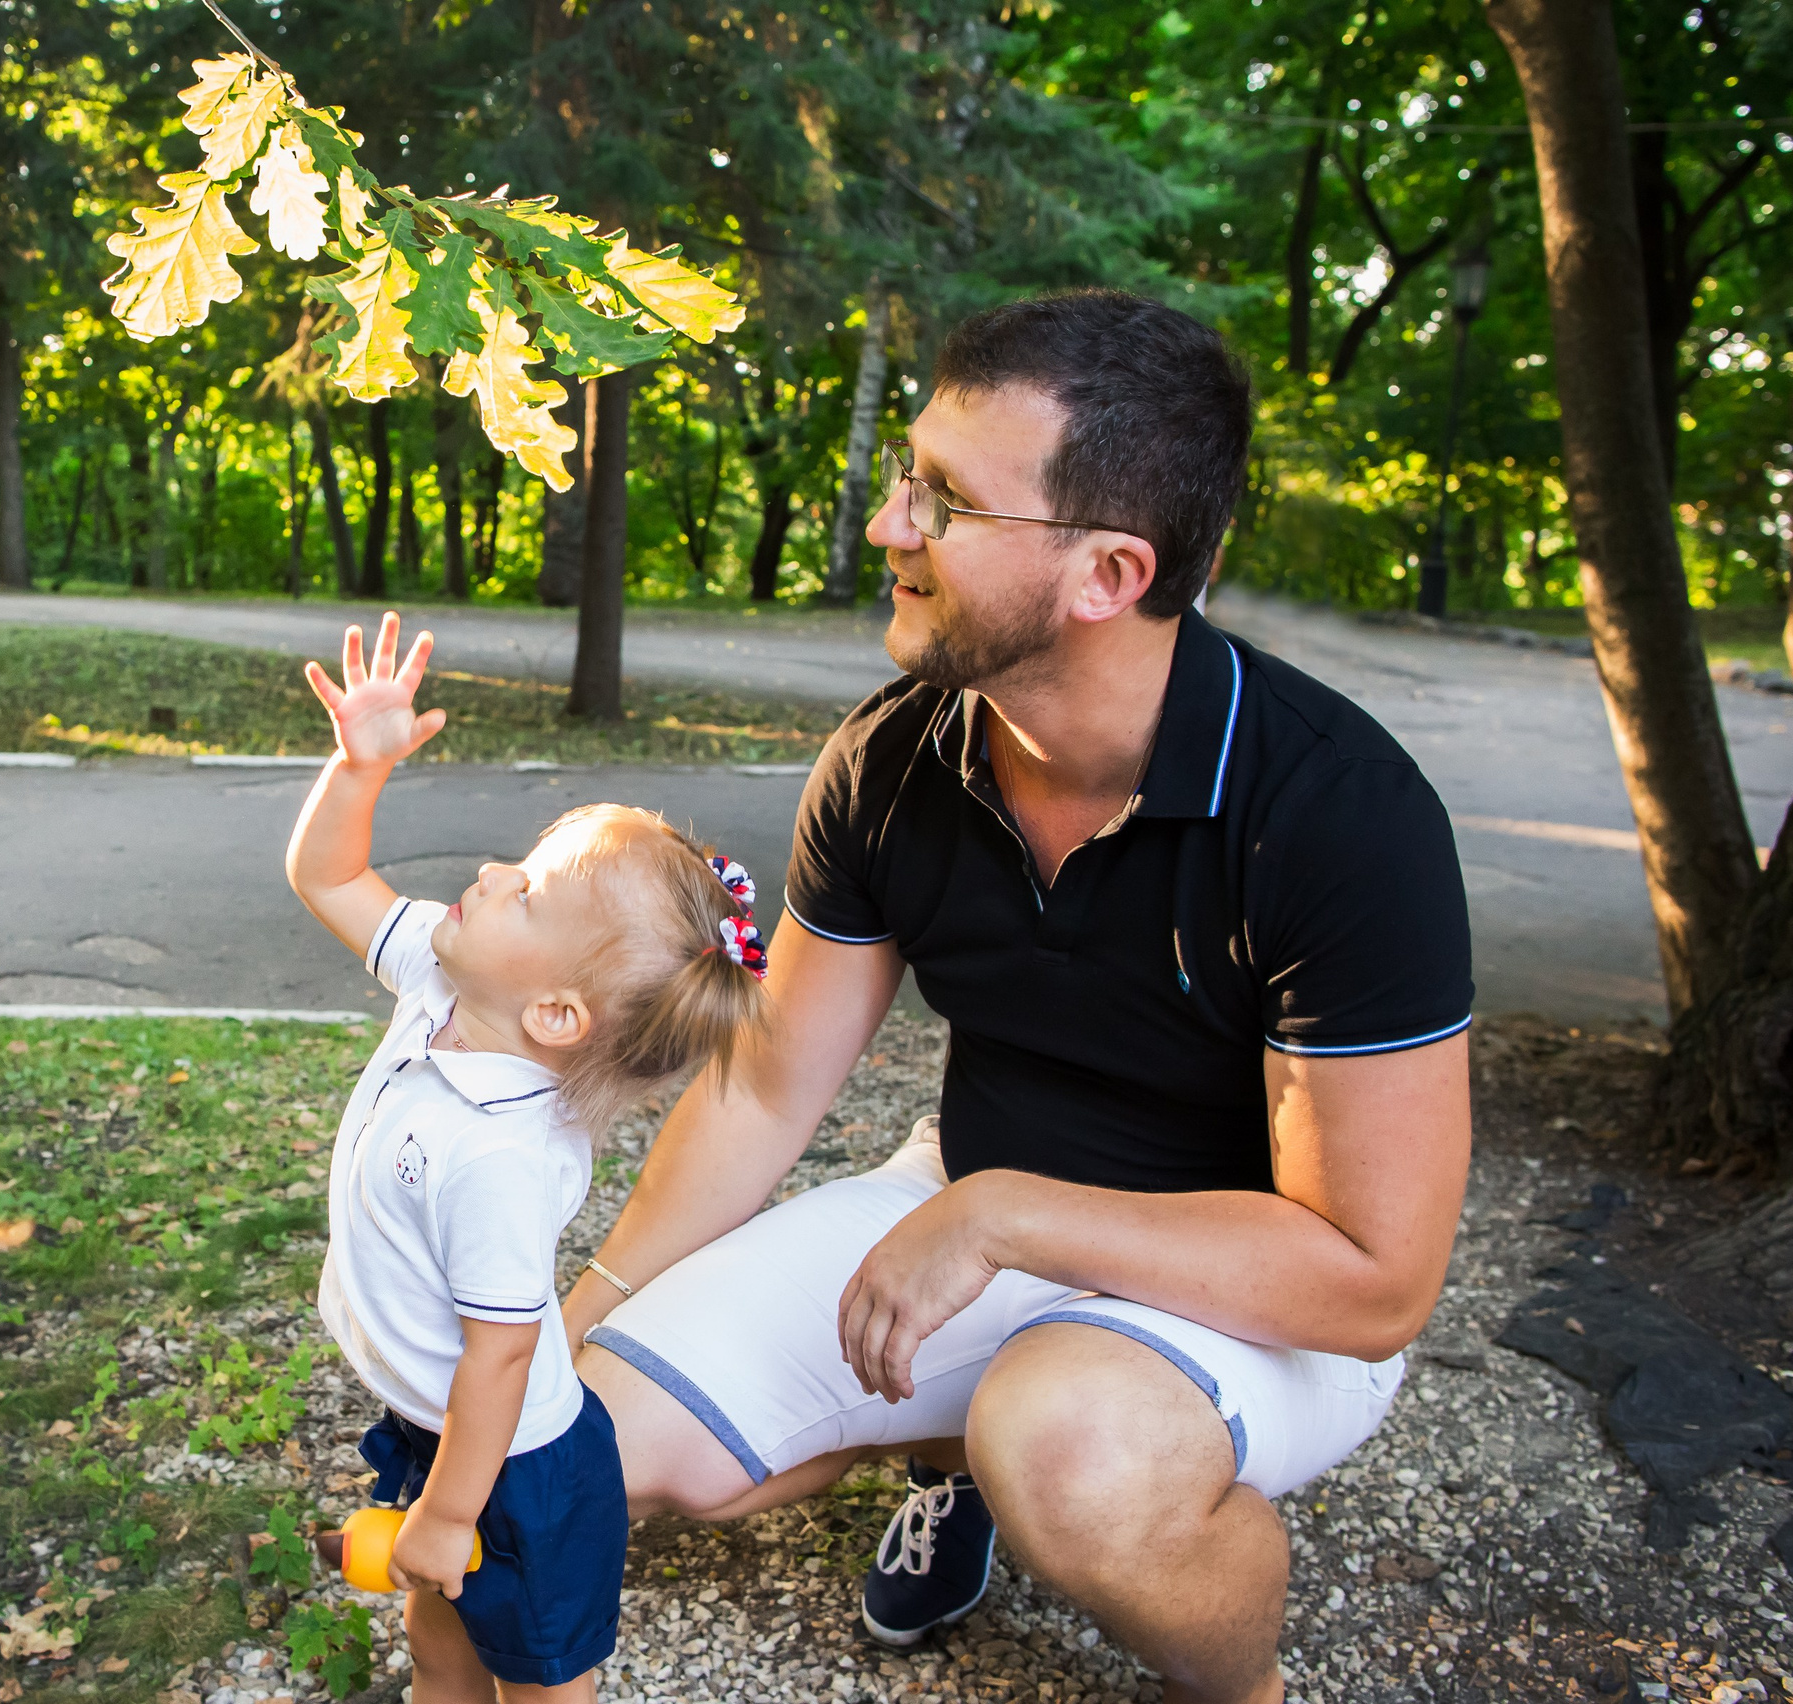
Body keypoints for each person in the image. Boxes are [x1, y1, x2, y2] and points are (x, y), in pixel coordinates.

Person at [561, 290, 1473, 1704]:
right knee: (587, 1435)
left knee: (1066, 1452)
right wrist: (579, 1320)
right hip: (967, 1202)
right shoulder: (890, 759)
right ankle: (951, 1447)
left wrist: (1001, 1217)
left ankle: (1233, 1679)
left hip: (1251, 1300)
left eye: (942, 500)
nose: (890, 527)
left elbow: (1373, 1281)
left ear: (1108, 573)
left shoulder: (1341, 815)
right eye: (904, 477)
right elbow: (769, 1082)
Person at [285, 612, 772, 1704]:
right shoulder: (445, 980)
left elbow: (503, 1355)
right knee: (438, 1639)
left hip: (516, 1470)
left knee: (543, 1683)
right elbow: (327, 878)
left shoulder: (496, 1156)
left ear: (554, 1012)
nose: (495, 871)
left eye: (531, 890)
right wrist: (357, 768)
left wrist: (449, 1512)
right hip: (443, 1429)